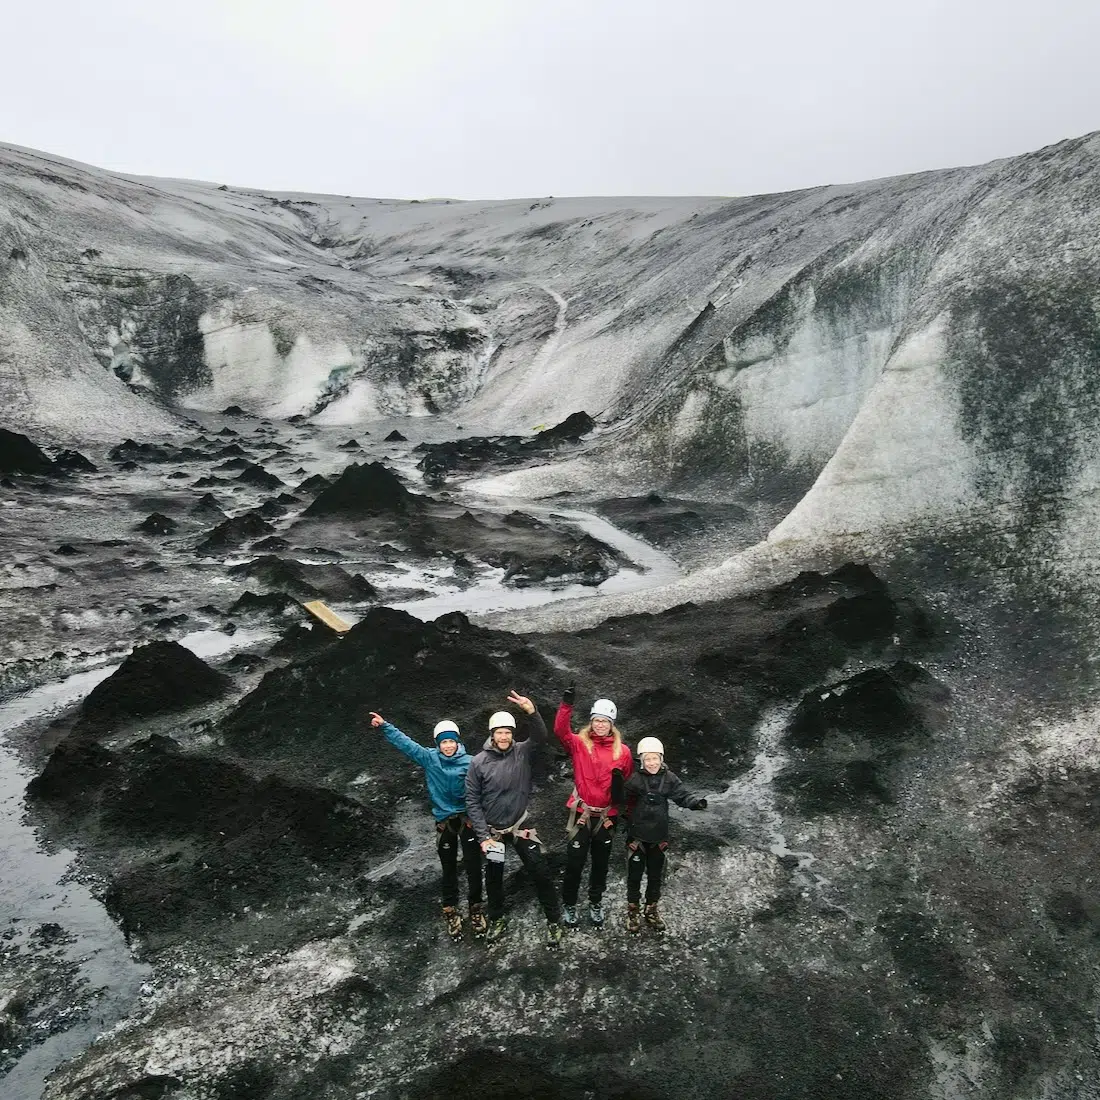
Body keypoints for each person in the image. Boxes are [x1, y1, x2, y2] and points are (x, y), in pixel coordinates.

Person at [367, 711, 486, 941]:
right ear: (437, 744)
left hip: (468, 820)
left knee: (473, 867)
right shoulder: (429, 758)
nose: (448, 746)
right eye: (444, 742)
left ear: (458, 742)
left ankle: (476, 909)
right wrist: (385, 726)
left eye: (452, 741)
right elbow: (407, 745)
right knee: (449, 869)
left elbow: (488, 785)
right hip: (444, 822)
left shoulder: (472, 762)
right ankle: (450, 911)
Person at [464, 690, 564, 948]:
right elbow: (472, 801)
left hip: (522, 828)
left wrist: (532, 712)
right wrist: (484, 837)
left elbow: (541, 737)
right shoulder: (479, 763)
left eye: (508, 731)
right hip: (494, 833)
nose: (504, 736)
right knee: (494, 877)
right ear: (492, 734)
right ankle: (497, 918)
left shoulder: (522, 752)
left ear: (512, 734)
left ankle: (554, 919)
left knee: (540, 871)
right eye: (500, 732)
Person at [553, 683, 633, 929]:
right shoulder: (579, 744)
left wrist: (622, 812)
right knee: (575, 862)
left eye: (605, 721)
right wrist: (566, 704)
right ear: (591, 721)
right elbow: (560, 731)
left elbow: (627, 782)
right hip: (581, 813)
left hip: (606, 818)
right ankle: (569, 904)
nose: (600, 725)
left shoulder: (624, 752)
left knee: (600, 864)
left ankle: (595, 902)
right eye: (597, 720)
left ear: (612, 724)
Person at [612, 736, 707, 934]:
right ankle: (633, 911)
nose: (652, 763)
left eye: (655, 758)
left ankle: (651, 910)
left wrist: (695, 803)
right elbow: (620, 800)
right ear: (642, 760)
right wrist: (616, 782)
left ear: (661, 758)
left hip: (659, 838)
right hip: (637, 838)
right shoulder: (635, 780)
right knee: (634, 877)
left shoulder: (670, 778)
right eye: (648, 759)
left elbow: (682, 795)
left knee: (656, 877)